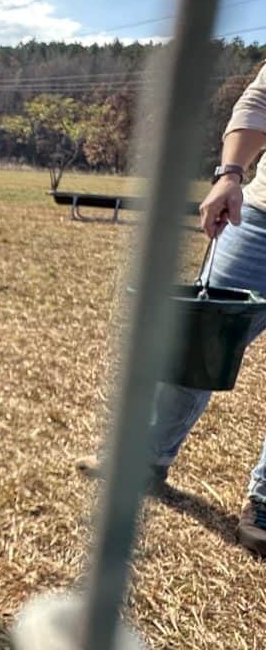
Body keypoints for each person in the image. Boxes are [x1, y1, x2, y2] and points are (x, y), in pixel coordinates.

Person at [79, 61, 266, 556]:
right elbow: (259, 101)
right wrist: (230, 173)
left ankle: (265, 499)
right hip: (262, 220)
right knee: (198, 344)